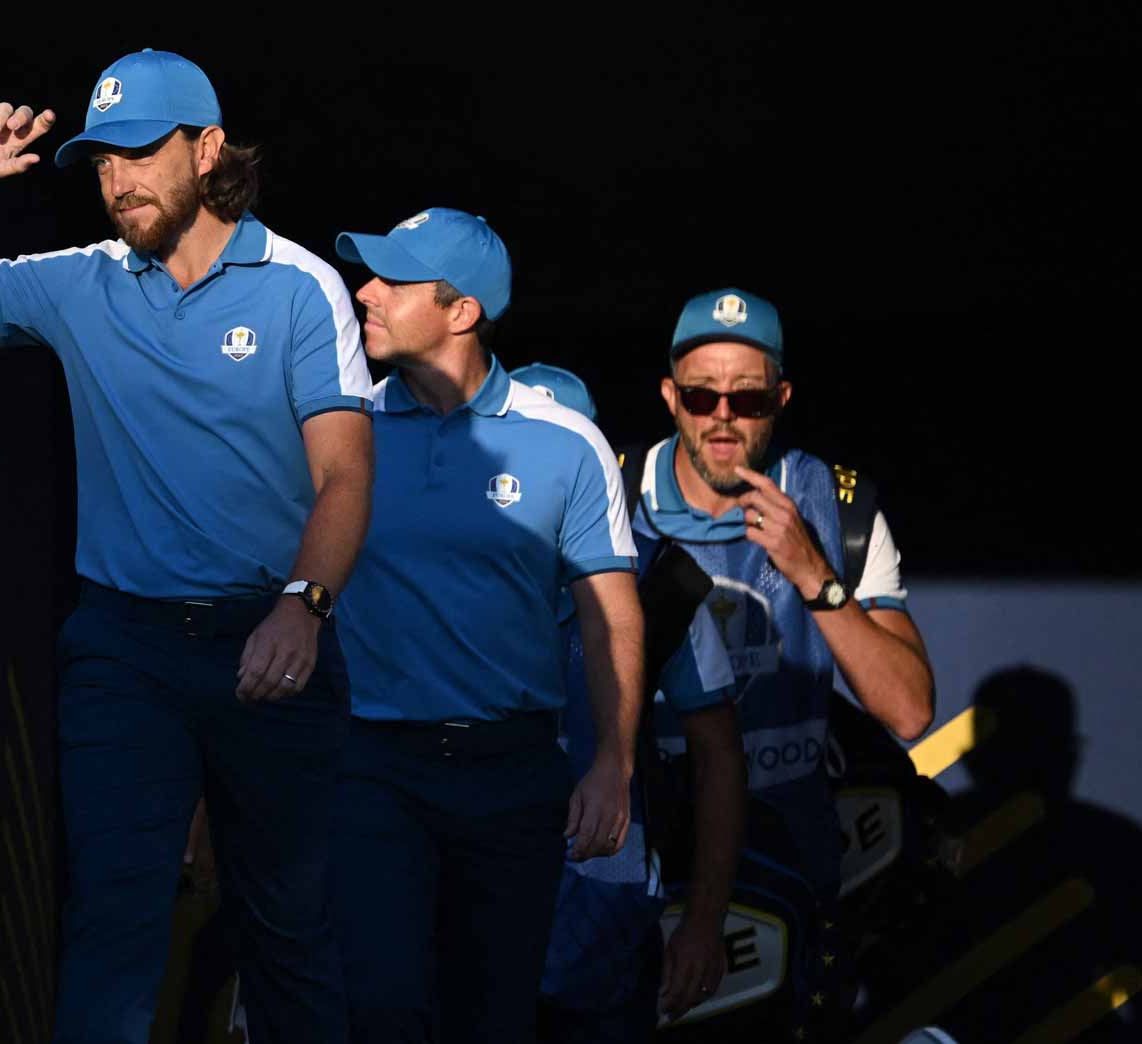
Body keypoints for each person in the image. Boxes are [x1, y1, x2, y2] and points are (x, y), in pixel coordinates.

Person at [0, 48, 373, 1044]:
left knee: (289, 931)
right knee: (112, 928)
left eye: (139, 152)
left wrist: (301, 607)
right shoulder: (78, 282)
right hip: (123, 652)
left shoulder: (300, 286)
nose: (117, 180)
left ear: (207, 148)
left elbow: (344, 475)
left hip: (269, 640)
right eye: (100, 161)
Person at [326, 208, 642, 1043]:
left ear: (462, 310)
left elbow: (613, 614)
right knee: (382, 1006)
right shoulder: (337, 425)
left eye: (393, 280)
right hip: (370, 765)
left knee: (494, 1022)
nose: (366, 292)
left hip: (513, 774)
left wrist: (613, 762)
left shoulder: (567, 443)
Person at [628, 287, 935, 1036]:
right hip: (652, 854)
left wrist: (814, 577)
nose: (722, 417)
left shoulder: (839, 506)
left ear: (781, 397)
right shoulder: (609, 491)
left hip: (792, 855)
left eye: (748, 399)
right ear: (671, 395)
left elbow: (908, 711)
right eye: (701, 395)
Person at [512, 363, 746, 1042]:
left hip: (602, 924)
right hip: (465, 903)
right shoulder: (434, 567)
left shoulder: (662, 583)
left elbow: (720, 757)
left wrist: (703, 924)